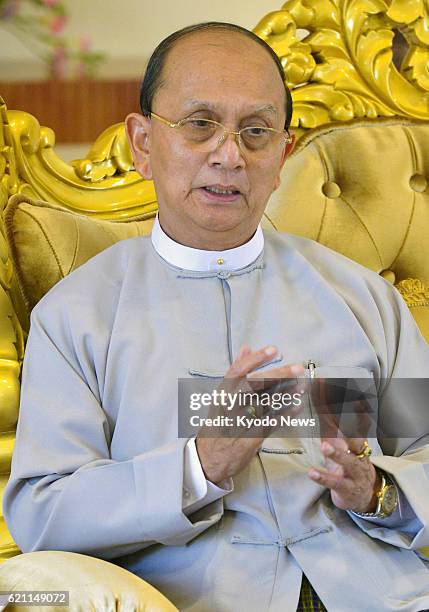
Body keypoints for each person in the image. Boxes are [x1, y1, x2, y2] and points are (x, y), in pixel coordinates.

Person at [3, 22, 429, 612]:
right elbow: (42, 511)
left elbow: (425, 442)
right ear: (144, 143)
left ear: (281, 155)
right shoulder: (79, 318)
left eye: (256, 132)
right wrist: (196, 467)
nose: (229, 156)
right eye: (200, 125)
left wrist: (380, 490)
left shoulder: (360, 299)